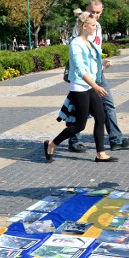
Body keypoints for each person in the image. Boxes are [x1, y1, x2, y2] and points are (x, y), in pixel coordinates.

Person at [45, 9, 117, 163]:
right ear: (84, 26)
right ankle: (52, 144)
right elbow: (79, 68)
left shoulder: (89, 42)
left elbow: (90, 63)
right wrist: (96, 87)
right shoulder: (75, 43)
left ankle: (100, 153)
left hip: (90, 86)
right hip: (80, 88)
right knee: (79, 125)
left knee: (100, 117)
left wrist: (103, 63)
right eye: (92, 25)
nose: (95, 28)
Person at [68, 0, 129, 153]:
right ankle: (73, 141)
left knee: (108, 105)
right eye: (92, 12)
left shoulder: (98, 27)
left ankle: (115, 140)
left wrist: (101, 62)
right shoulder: (80, 27)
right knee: (81, 110)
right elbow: (79, 53)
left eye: (98, 12)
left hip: (98, 74)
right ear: (86, 10)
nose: (95, 15)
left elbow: (93, 51)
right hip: (85, 78)